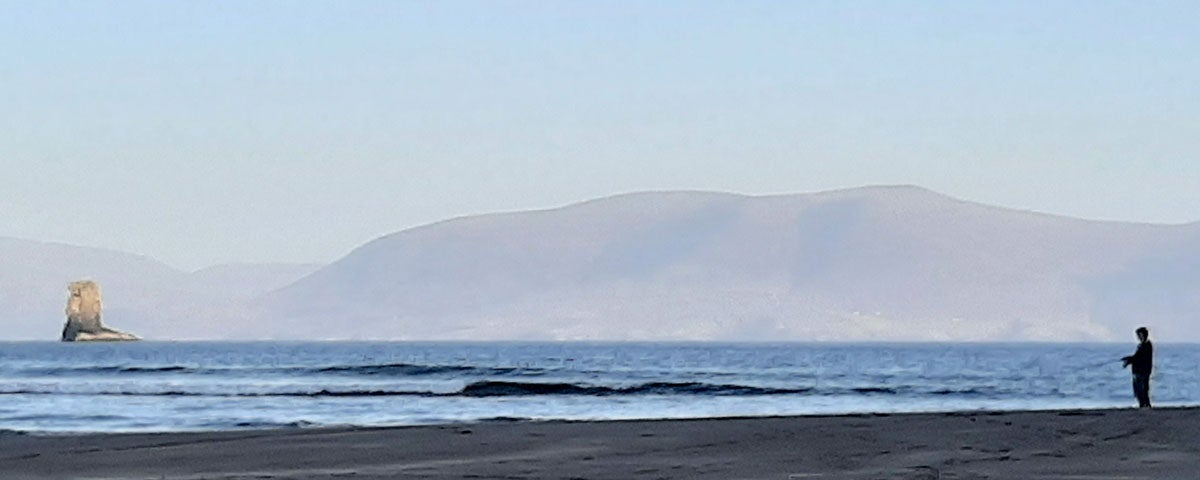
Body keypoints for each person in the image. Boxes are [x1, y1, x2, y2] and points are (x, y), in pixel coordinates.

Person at [1121, 327, 1153, 408]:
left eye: (1140, 335)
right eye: (1138, 335)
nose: (1139, 337)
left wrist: (1128, 360)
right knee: (1139, 389)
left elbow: (1138, 357)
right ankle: (1143, 404)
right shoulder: (1143, 345)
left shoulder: (1146, 345)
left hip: (1142, 371)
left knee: (1142, 389)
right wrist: (1128, 360)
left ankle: (1144, 404)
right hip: (1139, 371)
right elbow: (1137, 357)